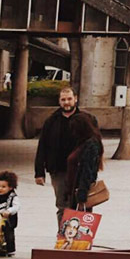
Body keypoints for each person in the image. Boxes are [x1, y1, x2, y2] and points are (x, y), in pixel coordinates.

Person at [34, 87, 100, 233]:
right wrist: (39, 172)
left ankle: (81, 239)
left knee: (82, 204)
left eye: (69, 99)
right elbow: (42, 146)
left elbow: (96, 147)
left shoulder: (87, 119)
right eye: (63, 99)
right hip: (58, 170)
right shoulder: (51, 121)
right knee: (63, 206)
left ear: (75, 98)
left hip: (80, 170)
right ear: (59, 101)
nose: (66, 102)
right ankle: (63, 237)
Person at [64, 109, 105, 208]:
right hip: (74, 189)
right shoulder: (82, 142)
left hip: (80, 190)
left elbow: (88, 170)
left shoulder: (90, 145)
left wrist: (82, 194)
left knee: (78, 221)